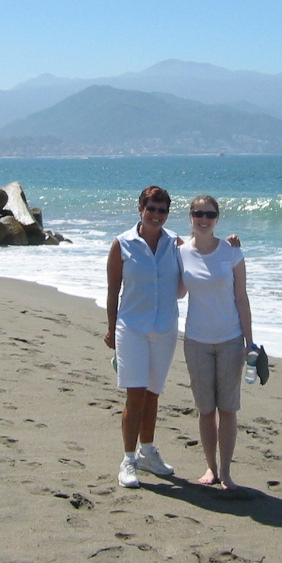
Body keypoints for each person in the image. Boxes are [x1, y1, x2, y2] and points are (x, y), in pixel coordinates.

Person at [105, 186, 180, 488]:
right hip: (131, 328)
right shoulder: (123, 244)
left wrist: (229, 245)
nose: (156, 215)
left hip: (164, 328)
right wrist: (111, 328)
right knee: (134, 395)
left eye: (162, 210)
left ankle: (147, 452)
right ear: (140, 209)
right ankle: (128, 460)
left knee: (153, 394)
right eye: (151, 208)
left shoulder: (175, 243)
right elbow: (113, 291)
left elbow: (203, 256)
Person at [178, 195, 253, 491]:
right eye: (198, 213)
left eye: (209, 214)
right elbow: (178, 292)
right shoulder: (181, 251)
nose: (203, 219)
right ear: (191, 217)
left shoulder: (232, 252)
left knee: (228, 409)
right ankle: (210, 468)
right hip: (196, 340)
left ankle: (227, 472)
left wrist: (250, 341)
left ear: (217, 218)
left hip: (230, 339)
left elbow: (242, 298)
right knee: (205, 409)